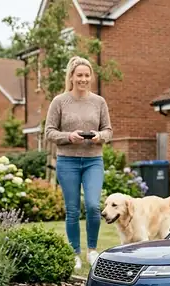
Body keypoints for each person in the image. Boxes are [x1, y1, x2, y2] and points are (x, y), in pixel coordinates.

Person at [45, 56, 112, 270]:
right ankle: (74, 252)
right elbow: (49, 132)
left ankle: (92, 250)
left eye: (87, 75)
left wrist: (99, 136)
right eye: (79, 75)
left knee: (93, 206)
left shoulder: (99, 101)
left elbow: (108, 130)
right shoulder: (59, 101)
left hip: (93, 160)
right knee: (72, 210)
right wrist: (68, 136)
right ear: (72, 77)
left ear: (90, 77)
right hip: (68, 161)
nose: (83, 79)